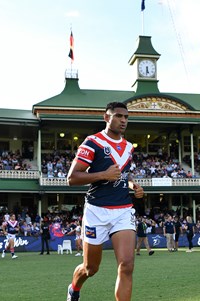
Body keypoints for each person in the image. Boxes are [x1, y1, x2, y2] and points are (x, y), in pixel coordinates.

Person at [66, 102, 143, 301]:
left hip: (123, 210)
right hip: (96, 211)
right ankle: (74, 288)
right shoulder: (93, 142)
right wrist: (103, 175)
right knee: (90, 268)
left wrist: (134, 186)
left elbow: (123, 175)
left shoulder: (128, 147)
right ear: (106, 117)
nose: (123, 120)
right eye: (118, 116)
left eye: (126, 117)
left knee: (127, 265)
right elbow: (72, 178)